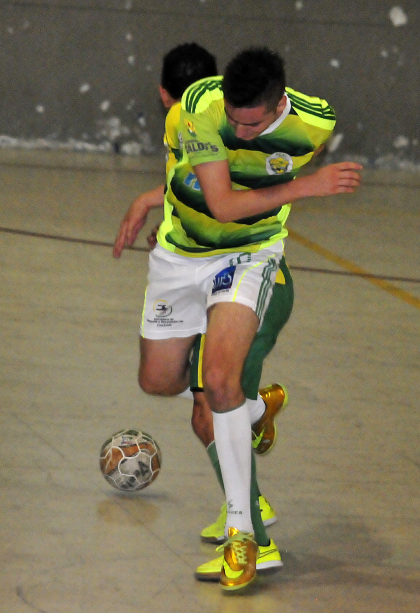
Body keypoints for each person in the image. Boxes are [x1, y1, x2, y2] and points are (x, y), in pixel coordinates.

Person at [121, 46, 362, 592]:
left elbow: (243, 211)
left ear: (278, 105)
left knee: (219, 383)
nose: (240, 131)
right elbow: (222, 203)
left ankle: (243, 536)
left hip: (248, 256)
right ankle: (256, 410)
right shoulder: (199, 108)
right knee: (158, 380)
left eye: (252, 124)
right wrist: (309, 186)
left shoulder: (315, 123)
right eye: (234, 119)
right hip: (182, 256)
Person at [114, 42, 288, 574]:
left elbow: (225, 200)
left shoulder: (214, 126)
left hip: (246, 280)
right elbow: (194, 186)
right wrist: (160, 207)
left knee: (211, 403)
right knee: (173, 388)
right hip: (201, 274)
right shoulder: (196, 129)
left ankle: (254, 531)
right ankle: (257, 412)